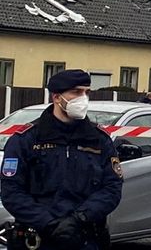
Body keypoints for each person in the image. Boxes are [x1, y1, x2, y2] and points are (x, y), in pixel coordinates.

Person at [1, 69, 123, 250]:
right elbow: (12, 192)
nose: (83, 98)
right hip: (37, 239)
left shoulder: (99, 139)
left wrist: (79, 218)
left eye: (87, 92)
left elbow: (112, 188)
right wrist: (49, 223)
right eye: (76, 92)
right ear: (57, 97)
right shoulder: (25, 140)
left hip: (85, 238)